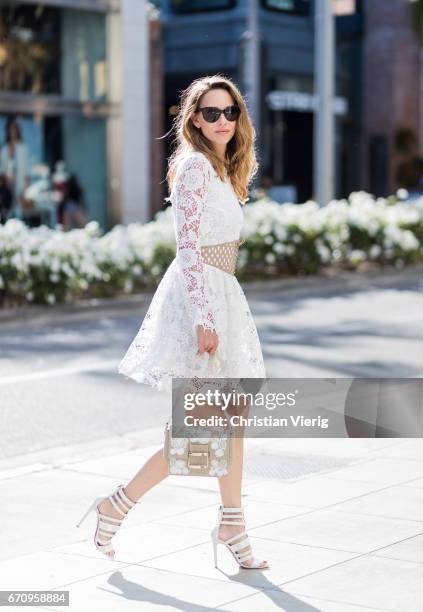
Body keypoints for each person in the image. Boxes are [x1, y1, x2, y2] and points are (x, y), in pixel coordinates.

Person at [76, 75, 269, 570]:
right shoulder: (194, 169)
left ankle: (231, 520)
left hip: (222, 292)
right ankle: (116, 505)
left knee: (230, 421)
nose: (222, 121)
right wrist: (206, 319)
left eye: (230, 112)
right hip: (199, 299)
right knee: (198, 427)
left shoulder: (223, 169)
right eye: (211, 112)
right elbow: (185, 247)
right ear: (194, 119)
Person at [0, 116, 30, 218]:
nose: (12, 132)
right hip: (7, 189)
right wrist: (6, 179)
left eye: (14, 129)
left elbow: (26, 171)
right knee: (7, 215)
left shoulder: (22, 148)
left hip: (19, 188)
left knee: (18, 215)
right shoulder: (4, 149)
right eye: (10, 129)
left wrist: (25, 192)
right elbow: (2, 170)